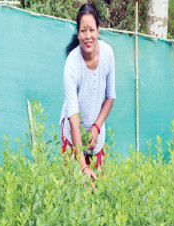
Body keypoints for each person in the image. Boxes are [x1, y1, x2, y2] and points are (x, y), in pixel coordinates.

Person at [59, 3, 115, 188]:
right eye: (83, 30)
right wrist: (83, 167)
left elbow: (110, 97)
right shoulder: (72, 66)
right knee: (74, 189)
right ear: (77, 33)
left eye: (92, 29)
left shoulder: (107, 54)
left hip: (96, 133)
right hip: (73, 133)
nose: (88, 35)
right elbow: (73, 120)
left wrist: (96, 127)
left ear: (98, 30)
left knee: (96, 188)